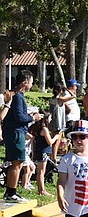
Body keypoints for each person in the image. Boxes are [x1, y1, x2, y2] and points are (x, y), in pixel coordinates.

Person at [2, 71, 44, 203]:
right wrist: (33, 117)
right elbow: (20, 117)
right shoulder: (18, 97)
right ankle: (11, 192)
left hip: (15, 131)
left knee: (17, 163)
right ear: (25, 82)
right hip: (16, 132)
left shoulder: (16, 96)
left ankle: (11, 191)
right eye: (31, 82)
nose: (32, 84)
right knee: (17, 163)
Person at [31, 112, 60, 196]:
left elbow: (33, 141)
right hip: (43, 151)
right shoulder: (44, 129)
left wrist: (33, 152)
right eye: (49, 118)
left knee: (40, 171)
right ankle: (42, 190)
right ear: (46, 119)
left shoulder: (36, 128)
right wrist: (56, 137)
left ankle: (40, 189)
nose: (50, 120)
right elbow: (50, 142)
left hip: (39, 150)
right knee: (41, 171)